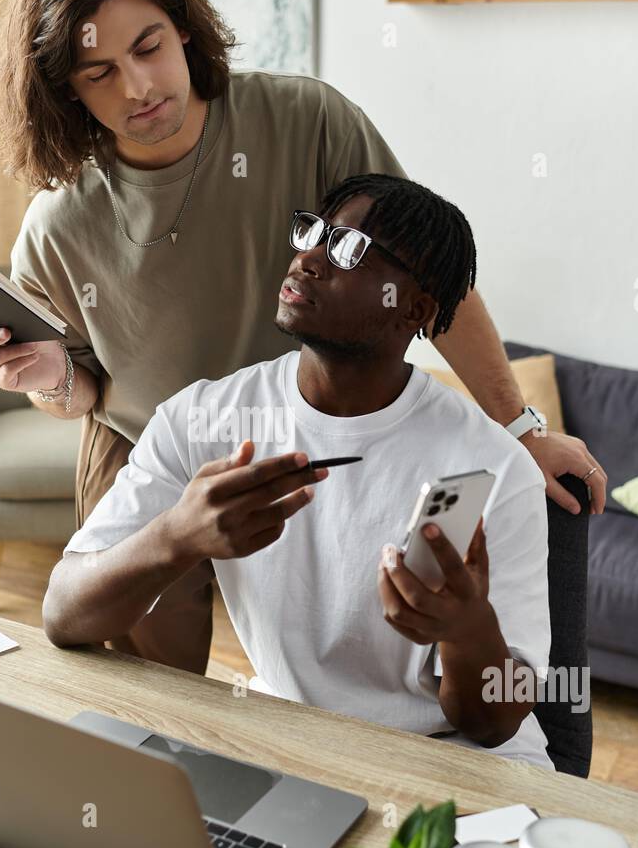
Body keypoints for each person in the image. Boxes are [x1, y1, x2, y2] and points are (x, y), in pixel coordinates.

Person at [0, 0, 605, 675]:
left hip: (308, 432)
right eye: (98, 71)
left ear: (184, 30)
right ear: (65, 87)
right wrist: (49, 380)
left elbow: (428, 278)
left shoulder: (306, 120)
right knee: (151, 698)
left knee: (331, 669)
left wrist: (519, 430)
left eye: (149, 46)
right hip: (147, 452)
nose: (137, 87)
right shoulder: (57, 224)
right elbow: (83, 393)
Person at [41, 174, 554, 770]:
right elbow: (62, 613)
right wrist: (177, 537)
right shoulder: (202, 420)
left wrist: (467, 632)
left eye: (348, 249)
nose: (309, 258)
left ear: (414, 310)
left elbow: (493, 723)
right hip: (298, 746)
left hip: (457, 763)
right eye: (313, 232)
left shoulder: (496, 466)